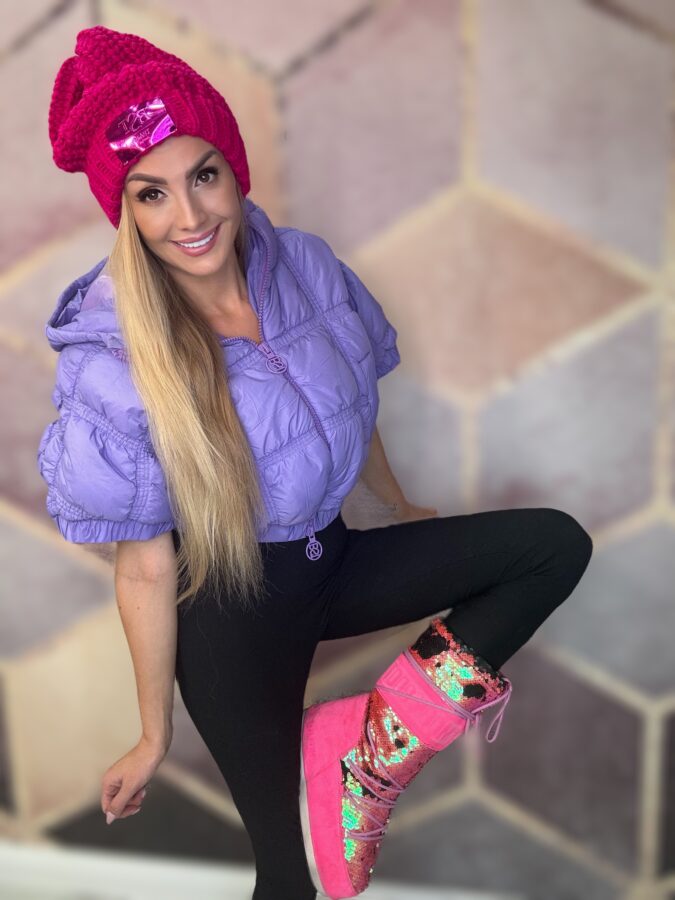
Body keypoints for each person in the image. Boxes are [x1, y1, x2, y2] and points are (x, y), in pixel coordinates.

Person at [39, 24, 593, 900]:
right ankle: (337, 781)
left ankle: (369, 747)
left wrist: (396, 510)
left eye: (203, 176)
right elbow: (144, 567)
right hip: (229, 611)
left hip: (330, 560)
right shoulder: (112, 359)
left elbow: (351, 408)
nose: (189, 218)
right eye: (151, 194)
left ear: (234, 169)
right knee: (297, 882)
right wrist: (152, 734)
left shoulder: (303, 267)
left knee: (550, 548)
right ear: (127, 212)